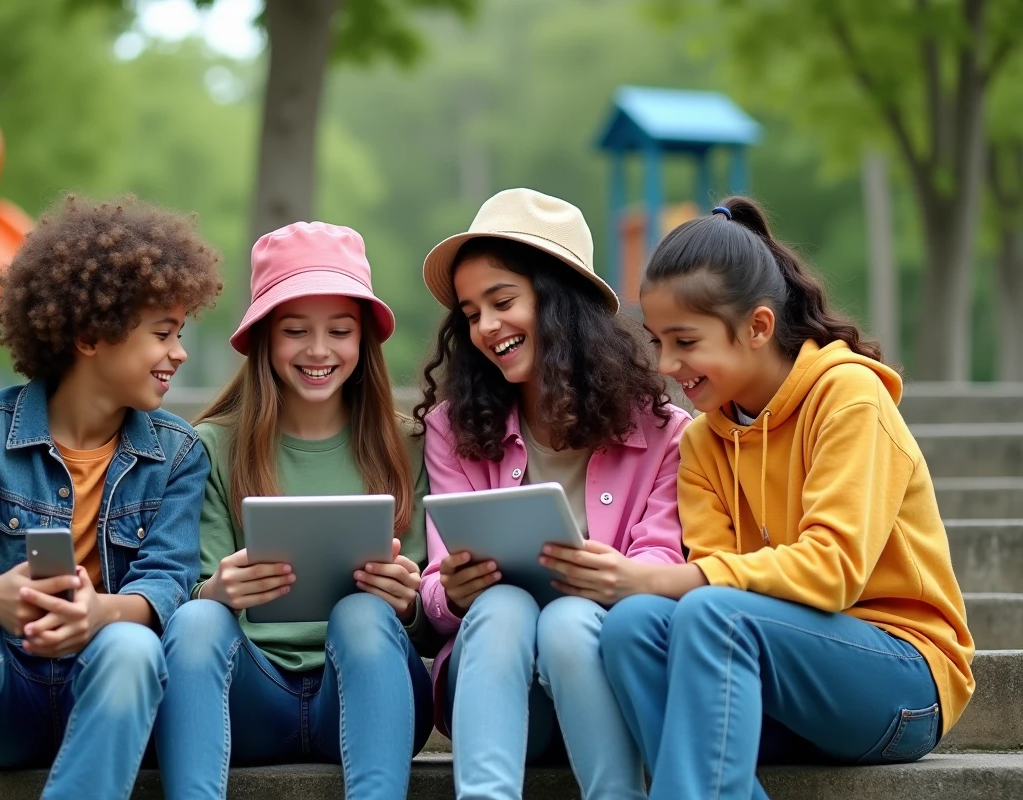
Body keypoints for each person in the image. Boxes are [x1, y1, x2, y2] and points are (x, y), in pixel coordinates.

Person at [599, 197, 976, 799]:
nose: (667, 365)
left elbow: (834, 570)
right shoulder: (702, 441)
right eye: (657, 342)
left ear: (758, 326)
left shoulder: (849, 397)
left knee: (706, 610)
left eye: (685, 341)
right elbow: (716, 579)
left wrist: (665, 580)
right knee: (631, 627)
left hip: (900, 682)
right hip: (772, 684)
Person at [0, 195, 223, 800]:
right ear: (91, 336)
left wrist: (99, 614)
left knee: (133, 642)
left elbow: (168, 583)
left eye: (180, 333)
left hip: (110, 700)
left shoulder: (178, 453)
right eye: (162, 334)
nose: (179, 352)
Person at [414, 187, 690, 799]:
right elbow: (434, 589)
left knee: (569, 619)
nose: (486, 327)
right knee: (503, 607)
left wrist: (614, 577)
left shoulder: (667, 433)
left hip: (607, 679)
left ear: (560, 300)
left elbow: (663, 561)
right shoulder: (453, 427)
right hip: (495, 686)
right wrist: (453, 593)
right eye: (470, 312)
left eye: (502, 301)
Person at [153, 221, 435, 800]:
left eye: (340, 330)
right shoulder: (212, 446)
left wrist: (407, 602)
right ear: (263, 338)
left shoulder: (410, 445)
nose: (318, 350)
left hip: (367, 692)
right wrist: (217, 592)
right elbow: (180, 598)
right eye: (295, 330)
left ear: (364, 340)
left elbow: (432, 623)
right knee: (198, 619)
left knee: (362, 616)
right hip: (250, 693)